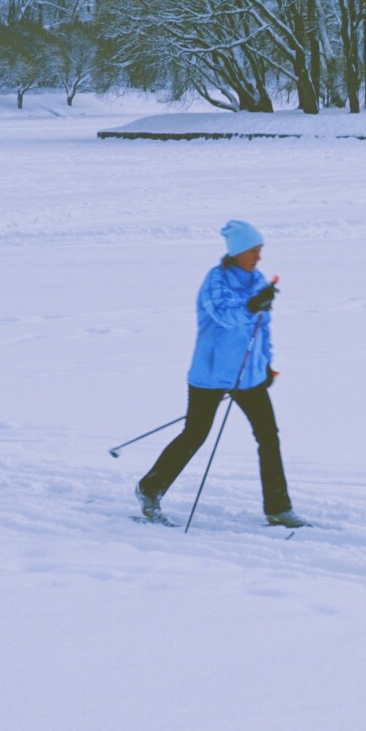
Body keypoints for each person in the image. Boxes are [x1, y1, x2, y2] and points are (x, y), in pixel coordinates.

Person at [136, 220, 305, 528]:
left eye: (260, 250)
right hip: (211, 375)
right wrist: (252, 306)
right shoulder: (216, 280)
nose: (259, 257)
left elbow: (261, 330)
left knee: (269, 437)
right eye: (254, 250)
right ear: (238, 251)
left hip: (247, 377)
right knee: (195, 435)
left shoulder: (258, 281)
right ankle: (149, 488)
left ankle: (278, 509)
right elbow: (225, 315)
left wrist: (265, 365)